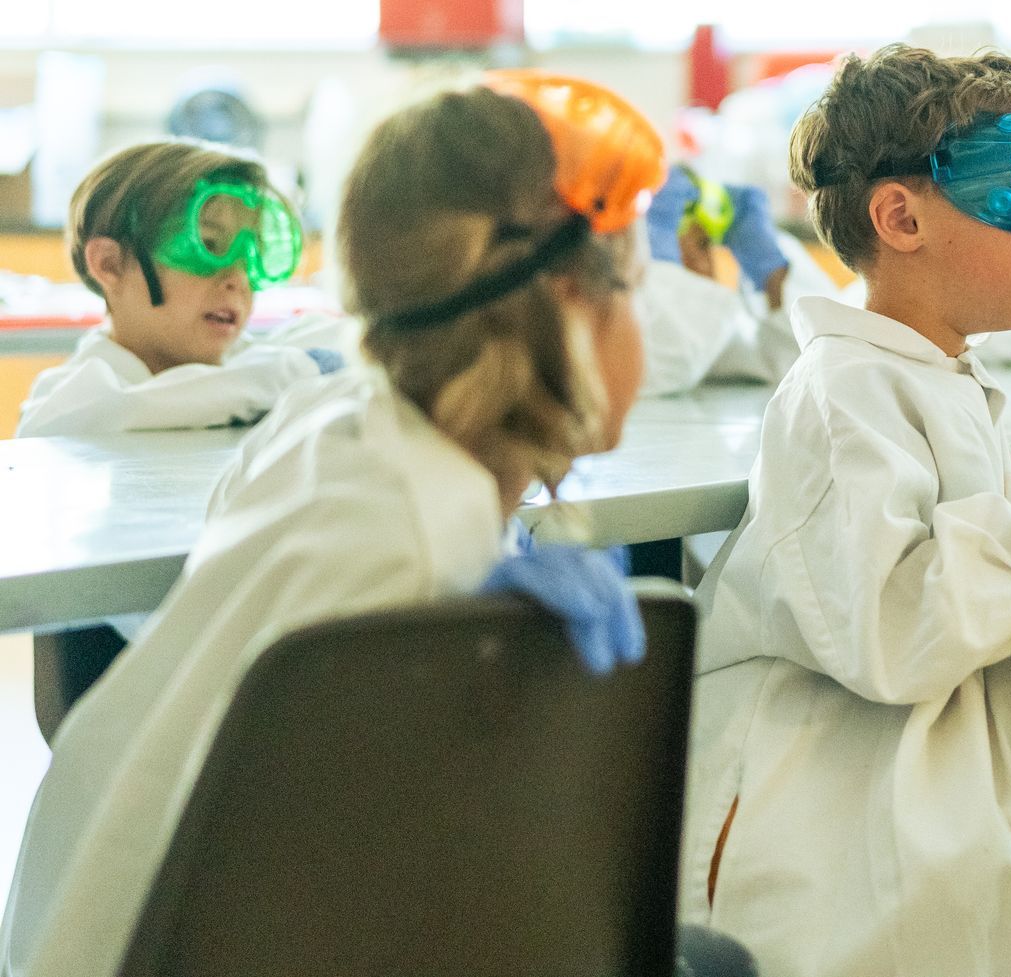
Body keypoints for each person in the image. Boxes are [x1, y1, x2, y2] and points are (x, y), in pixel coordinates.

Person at [0, 74, 672, 977]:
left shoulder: (346, 430)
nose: (647, 325)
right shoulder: (414, 541)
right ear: (565, 308)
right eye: (631, 286)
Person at [679, 46, 1011, 977]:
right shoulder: (845, 395)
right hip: (843, 867)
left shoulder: (934, 374)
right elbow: (899, 628)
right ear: (899, 215)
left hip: (946, 827)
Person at [17, 140, 348, 438]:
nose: (237, 279)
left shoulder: (254, 363)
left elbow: (333, 340)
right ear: (110, 265)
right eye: (208, 245)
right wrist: (301, 370)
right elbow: (139, 406)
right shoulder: (65, 406)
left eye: (251, 256)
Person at [636, 162, 838, 395]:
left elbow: (806, 362)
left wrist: (774, 277)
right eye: (670, 248)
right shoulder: (614, 328)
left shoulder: (722, 330)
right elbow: (667, 362)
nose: (702, 262)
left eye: (705, 245)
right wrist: (661, 270)